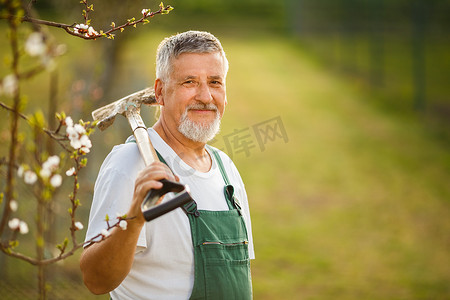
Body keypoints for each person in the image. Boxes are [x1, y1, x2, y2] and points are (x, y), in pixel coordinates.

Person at [80, 30, 255, 299]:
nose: (206, 97)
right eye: (190, 82)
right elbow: (95, 279)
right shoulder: (129, 164)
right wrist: (134, 220)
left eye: (215, 82)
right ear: (160, 92)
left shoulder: (226, 170)